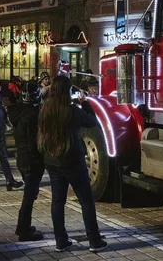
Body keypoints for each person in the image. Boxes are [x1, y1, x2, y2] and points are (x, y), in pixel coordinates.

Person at [37, 75, 107, 253]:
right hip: (72, 160)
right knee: (86, 201)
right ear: (67, 91)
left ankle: (61, 241)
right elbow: (92, 122)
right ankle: (94, 241)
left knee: (57, 202)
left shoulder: (45, 110)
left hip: (52, 160)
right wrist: (85, 103)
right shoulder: (72, 110)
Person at [7, 81, 45, 241]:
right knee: (29, 196)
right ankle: (24, 230)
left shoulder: (18, 112)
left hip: (22, 157)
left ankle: (23, 226)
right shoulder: (33, 116)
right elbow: (34, 142)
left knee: (30, 195)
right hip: (31, 160)